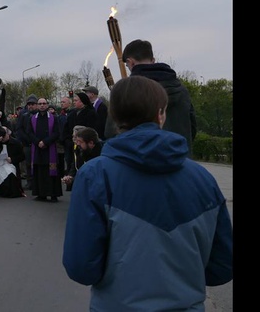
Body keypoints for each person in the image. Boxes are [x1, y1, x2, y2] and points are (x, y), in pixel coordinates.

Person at [62, 76, 232, 310]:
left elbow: (81, 267)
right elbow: (222, 267)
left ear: (115, 118)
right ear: (161, 114)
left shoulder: (94, 176)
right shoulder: (203, 179)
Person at [119, 38, 198, 154]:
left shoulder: (128, 91)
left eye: (127, 66)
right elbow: (192, 127)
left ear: (131, 62)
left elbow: (115, 130)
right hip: (179, 157)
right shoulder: (181, 89)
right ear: (153, 60)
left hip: (141, 160)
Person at [24, 98, 63, 202]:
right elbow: (29, 132)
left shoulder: (54, 118)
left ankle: (53, 194)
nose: (42, 105)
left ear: (47, 105)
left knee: (51, 171)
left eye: (44, 103)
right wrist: (38, 142)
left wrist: (45, 142)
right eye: (40, 104)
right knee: (39, 170)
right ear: (37, 105)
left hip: (49, 148)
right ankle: (41, 194)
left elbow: (56, 132)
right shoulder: (32, 118)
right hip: (37, 148)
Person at [61, 92, 97, 192]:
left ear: (83, 102)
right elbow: (66, 129)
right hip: (71, 144)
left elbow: (92, 130)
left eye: (76, 101)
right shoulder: (72, 113)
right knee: (72, 163)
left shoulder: (91, 113)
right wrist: (67, 140)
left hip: (84, 144)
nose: (74, 103)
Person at [0, 126, 24, 198]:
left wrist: (12, 159)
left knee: (10, 176)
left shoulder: (16, 143)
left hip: (10, 164)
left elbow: (22, 156)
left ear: (8, 134)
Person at [15, 94, 38, 189]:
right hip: (27, 143)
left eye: (33, 104)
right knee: (28, 163)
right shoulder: (23, 115)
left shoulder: (39, 115)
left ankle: (38, 181)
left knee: (38, 163)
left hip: (38, 143)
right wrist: (26, 139)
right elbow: (19, 129)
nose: (31, 106)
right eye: (29, 104)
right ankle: (30, 181)